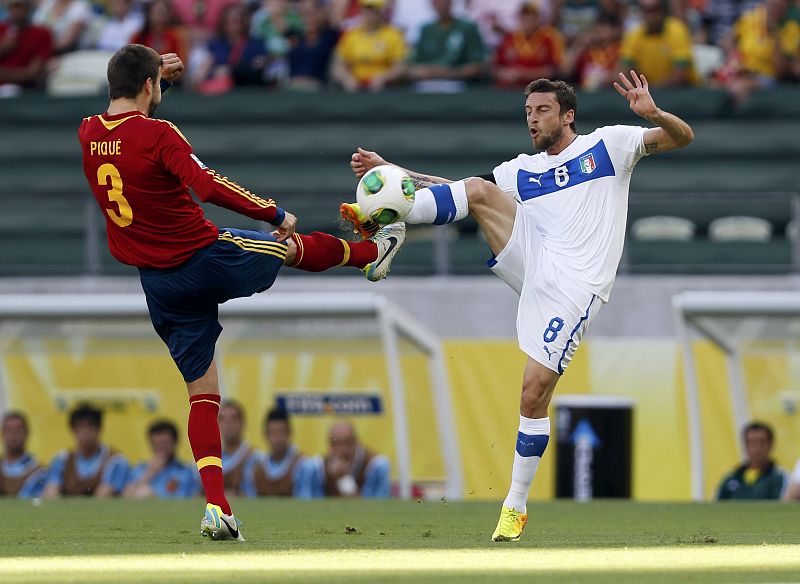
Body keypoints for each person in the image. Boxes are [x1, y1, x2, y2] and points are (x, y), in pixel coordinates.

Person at [340, 71, 693, 541]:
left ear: (568, 115)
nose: (533, 119)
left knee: (533, 391)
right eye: (528, 112)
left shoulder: (610, 145)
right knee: (481, 189)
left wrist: (654, 114)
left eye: (542, 110)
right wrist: (395, 173)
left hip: (575, 284)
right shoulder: (520, 169)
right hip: (533, 261)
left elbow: (682, 137)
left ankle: (515, 505)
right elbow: (462, 190)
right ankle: (389, 227)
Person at [77, 44, 404, 541]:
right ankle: (370, 255)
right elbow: (204, 185)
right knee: (287, 245)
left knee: (202, 393)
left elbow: (129, 128)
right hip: (205, 260)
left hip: (158, 284)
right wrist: (271, 212)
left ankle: (217, 508)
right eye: (156, 83)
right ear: (149, 87)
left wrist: (153, 75)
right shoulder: (159, 132)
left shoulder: (87, 132)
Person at [43, 403, 129, 497]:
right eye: (81, 427)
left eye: (90, 426)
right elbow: (51, 492)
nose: (85, 432)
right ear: (73, 430)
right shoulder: (62, 459)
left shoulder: (115, 461)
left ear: (100, 429)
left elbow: (104, 495)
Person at [331, 0, 407, 92]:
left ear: (380, 11)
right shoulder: (351, 35)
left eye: (374, 10)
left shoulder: (394, 35)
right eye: (366, 10)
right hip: (356, 88)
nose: (369, 14)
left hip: (384, 89)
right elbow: (338, 66)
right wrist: (347, 78)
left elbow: (401, 66)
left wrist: (385, 77)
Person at [410, 0, 486, 91]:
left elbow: (478, 66)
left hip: (462, 88)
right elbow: (412, 62)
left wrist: (445, 73)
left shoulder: (467, 28)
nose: (440, 4)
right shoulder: (426, 30)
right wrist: (419, 71)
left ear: (451, 2)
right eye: (436, 1)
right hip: (426, 88)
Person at [619, 0, 695, 87]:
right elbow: (624, 68)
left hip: (682, 90)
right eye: (646, 10)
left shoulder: (677, 30)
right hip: (648, 90)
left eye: (655, 10)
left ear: (664, 11)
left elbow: (680, 74)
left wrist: (651, 89)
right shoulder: (634, 34)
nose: (650, 15)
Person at [306, 420, 390, 498]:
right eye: (335, 443)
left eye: (347, 442)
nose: (342, 449)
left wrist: (344, 480)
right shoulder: (317, 467)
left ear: (355, 441)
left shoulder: (375, 465)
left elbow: (374, 507)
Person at [492, 1, 563, 89]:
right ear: (519, 18)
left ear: (538, 18)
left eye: (532, 16)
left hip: (539, 91)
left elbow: (554, 70)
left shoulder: (549, 38)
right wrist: (505, 74)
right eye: (524, 16)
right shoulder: (509, 38)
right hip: (510, 89)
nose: (528, 20)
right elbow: (496, 67)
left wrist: (522, 74)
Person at [241, 407, 309, 497]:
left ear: (289, 433)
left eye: (281, 432)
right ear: (266, 435)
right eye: (273, 433)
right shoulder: (255, 465)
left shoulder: (303, 464)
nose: (278, 438)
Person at [124, 420, 199, 498]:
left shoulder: (186, 472)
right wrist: (149, 473)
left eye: (165, 443)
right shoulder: (139, 470)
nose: (161, 448)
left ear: (175, 442)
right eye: (157, 444)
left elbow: (191, 497)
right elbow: (126, 497)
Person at [717, 422, 788, 500]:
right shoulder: (732, 477)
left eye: (762, 443)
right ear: (745, 445)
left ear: (771, 444)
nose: (757, 449)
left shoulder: (781, 477)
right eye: (752, 443)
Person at [0, 0, 53, 89]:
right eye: (12, 6)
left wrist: (5, 75)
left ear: (28, 8)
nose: (16, 10)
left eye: (20, 6)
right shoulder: (1, 29)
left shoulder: (41, 33)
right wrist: (3, 49)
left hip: (22, 88)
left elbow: (33, 72)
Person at [0, 411, 47, 498]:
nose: (13, 434)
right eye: (8, 430)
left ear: (27, 433)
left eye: (18, 430)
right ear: (2, 434)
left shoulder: (39, 472)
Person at [219, 401, 253, 496]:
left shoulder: (255, 458)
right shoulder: (210, 458)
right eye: (224, 420)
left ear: (242, 423)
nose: (228, 424)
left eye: (233, 419)